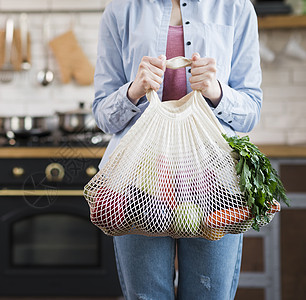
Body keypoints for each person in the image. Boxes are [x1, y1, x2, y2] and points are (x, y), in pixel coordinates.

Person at [92, 0, 262, 299]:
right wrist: (135, 89)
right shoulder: (120, 9)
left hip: (215, 185)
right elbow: (104, 116)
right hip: (136, 185)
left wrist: (216, 90)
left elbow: (250, 112)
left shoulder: (235, 7)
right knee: (147, 296)